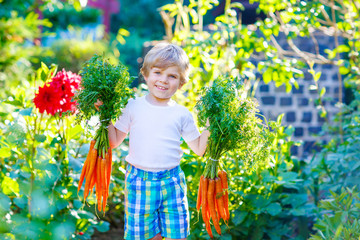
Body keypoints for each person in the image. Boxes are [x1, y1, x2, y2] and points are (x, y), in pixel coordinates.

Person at [95, 42, 209, 240]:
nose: (163, 80)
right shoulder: (132, 107)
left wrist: (211, 125)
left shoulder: (182, 114)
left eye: (172, 76)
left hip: (172, 182)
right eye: (158, 73)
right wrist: (104, 113)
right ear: (145, 74)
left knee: (178, 236)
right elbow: (113, 142)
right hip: (139, 182)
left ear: (181, 83)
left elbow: (200, 149)